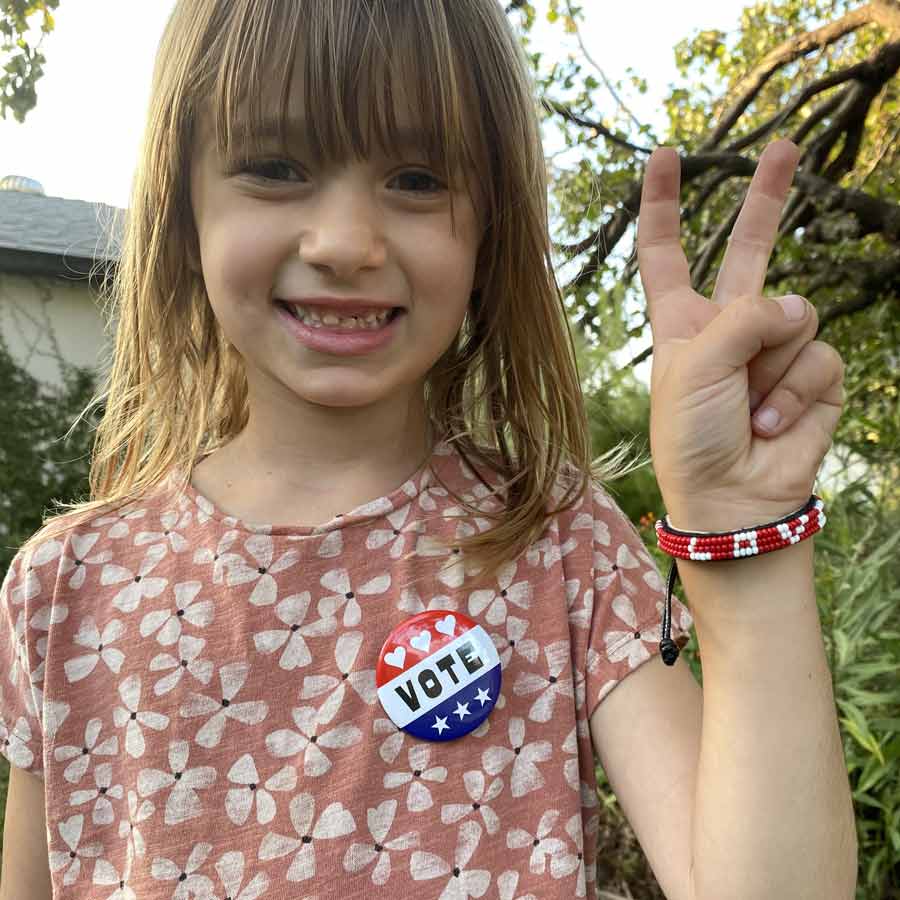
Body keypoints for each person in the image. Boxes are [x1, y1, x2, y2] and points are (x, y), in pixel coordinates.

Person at [0, 2, 857, 899]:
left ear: (491, 232)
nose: (344, 244)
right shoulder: (65, 591)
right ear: (181, 211)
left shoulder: (558, 545)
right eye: (275, 167)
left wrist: (741, 529)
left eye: (416, 178)